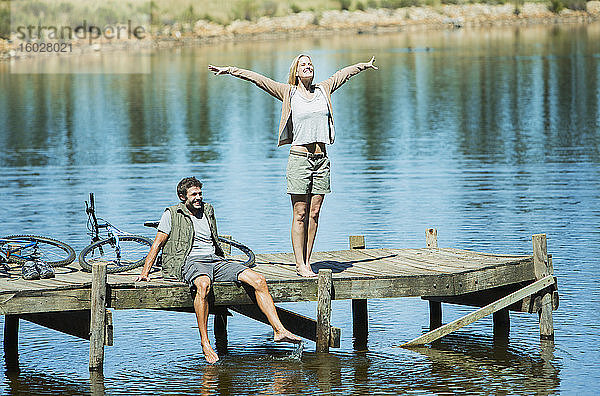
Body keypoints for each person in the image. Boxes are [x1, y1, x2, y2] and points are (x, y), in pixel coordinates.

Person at [209, 54, 377, 277]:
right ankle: (300, 264)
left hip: (321, 160)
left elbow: (342, 75)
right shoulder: (288, 92)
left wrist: (363, 66)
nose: (308, 67)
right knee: (300, 213)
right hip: (299, 159)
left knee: (314, 213)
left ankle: (307, 261)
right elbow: (258, 79)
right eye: (303, 65)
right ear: (296, 72)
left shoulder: (323, 89)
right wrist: (231, 69)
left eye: (310, 64)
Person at [136, 177, 301, 363]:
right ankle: (205, 343)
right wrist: (145, 273)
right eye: (194, 195)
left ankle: (279, 330)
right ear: (182, 197)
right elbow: (157, 244)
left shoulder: (208, 209)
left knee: (259, 280)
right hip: (189, 261)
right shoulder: (171, 214)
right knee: (204, 284)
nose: (198, 197)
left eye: (200, 193)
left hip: (216, 260)